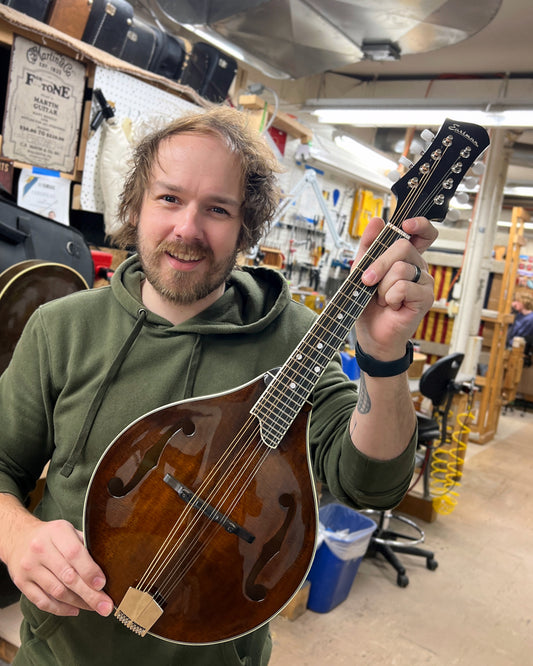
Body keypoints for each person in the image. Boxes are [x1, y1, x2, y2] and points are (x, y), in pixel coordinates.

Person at [0, 105, 437, 665]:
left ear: (245, 225)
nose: (188, 228)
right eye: (169, 198)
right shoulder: (62, 329)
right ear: (135, 205)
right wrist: (15, 536)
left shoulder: (298, 341)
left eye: (217, 209)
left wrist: (383, 358)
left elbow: (371, 486)